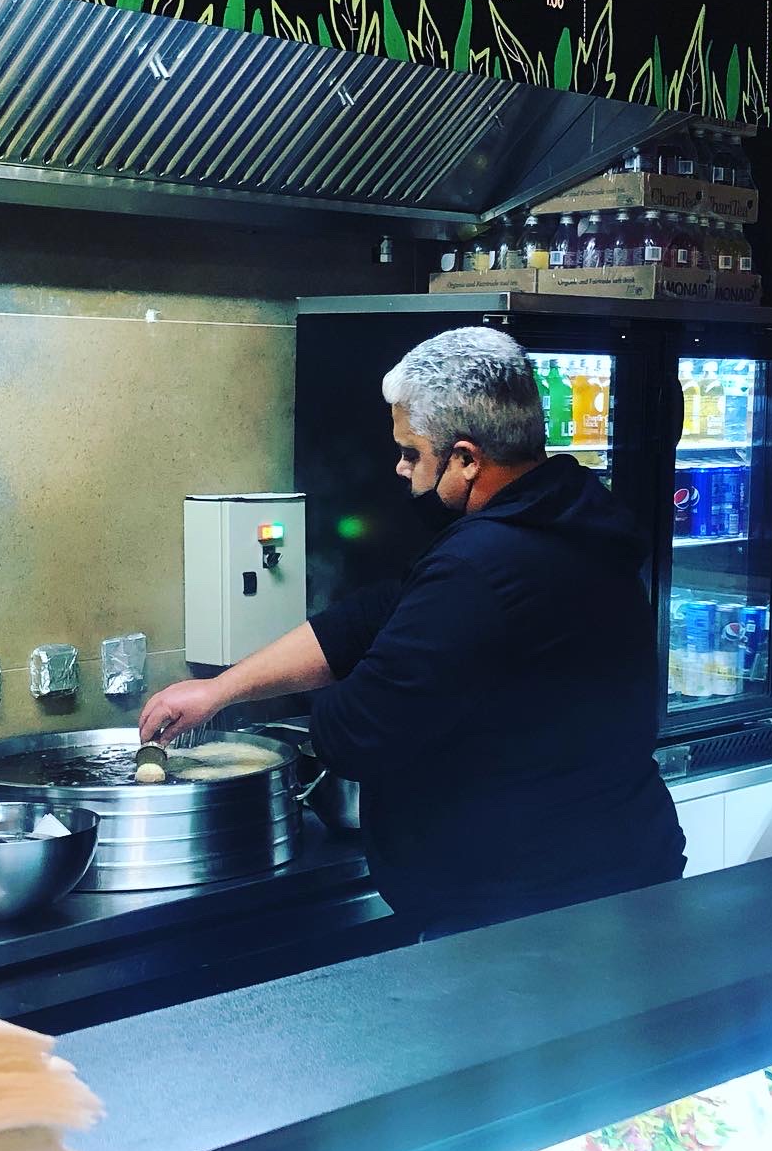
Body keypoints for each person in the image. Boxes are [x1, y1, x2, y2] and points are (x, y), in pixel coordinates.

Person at [139, 326, 684, 935]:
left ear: (466, 458)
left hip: (529, 918)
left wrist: (326, 705)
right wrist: (221, 690)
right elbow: (374, 614)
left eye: (411, 453)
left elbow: (355, 732)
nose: (400, 469)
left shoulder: (482, 565)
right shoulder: (568, 517)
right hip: (619, 872)